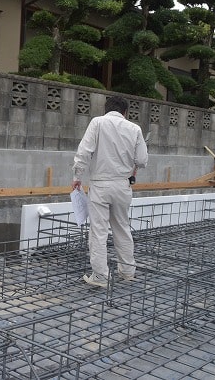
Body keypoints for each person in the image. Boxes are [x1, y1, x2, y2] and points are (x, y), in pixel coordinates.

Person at [72, 96, 148, 288]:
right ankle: (128, 271)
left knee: (98, 231)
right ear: (125, 112)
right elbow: (142, 160)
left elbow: (84, 152)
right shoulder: (134, 129)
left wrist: (77, 177)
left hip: (100, 184)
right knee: (122, 227)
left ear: (106, 109)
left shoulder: (98, 122)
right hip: (123, 186)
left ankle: (100, 276)